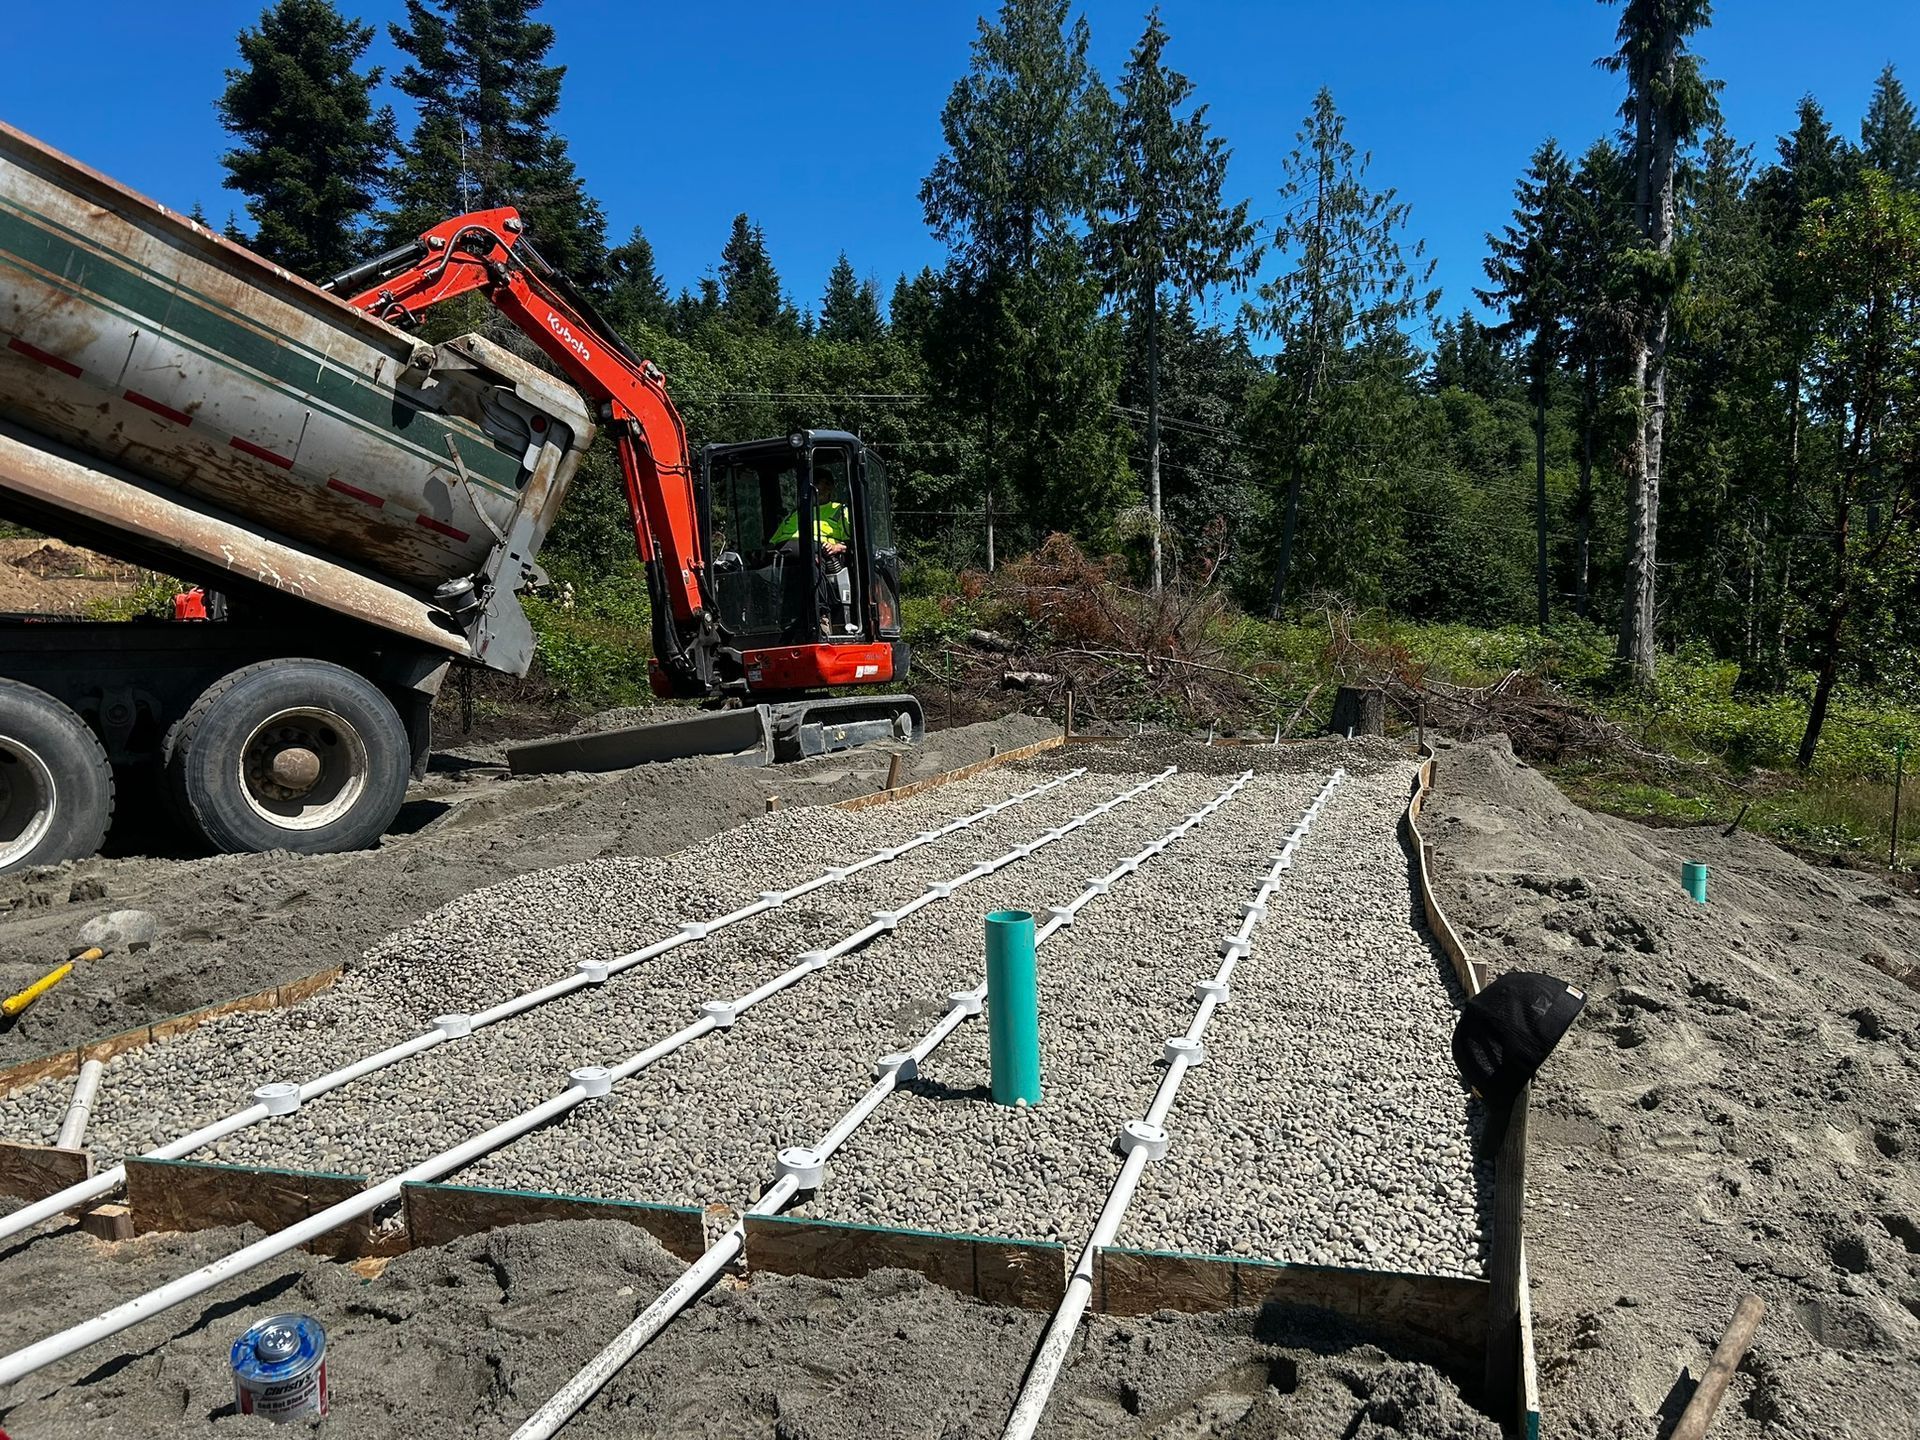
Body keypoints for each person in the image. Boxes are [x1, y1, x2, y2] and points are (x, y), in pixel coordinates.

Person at [771, 468, 858, 635]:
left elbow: (852, 544)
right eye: (814, 483)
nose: (818, 488)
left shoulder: (840, 510)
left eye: (822, 483)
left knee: (811, 554)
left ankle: (820, 613)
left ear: (831, 487)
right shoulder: (796, 513)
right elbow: (775, 541)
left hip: (819, 552)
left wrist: (837, 547)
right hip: (786, 552)